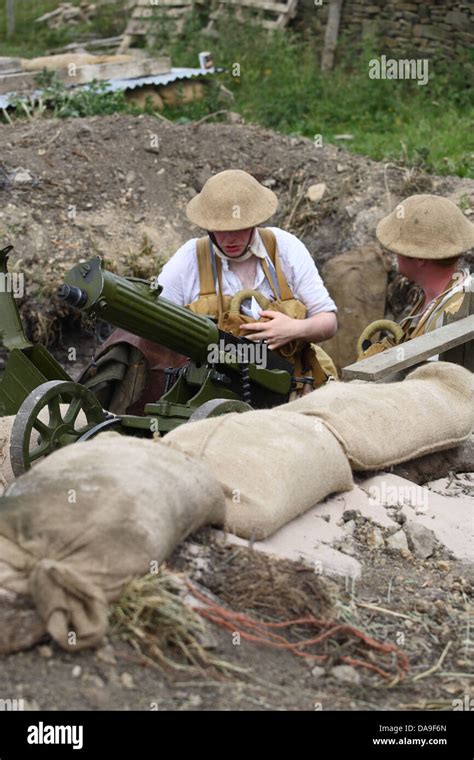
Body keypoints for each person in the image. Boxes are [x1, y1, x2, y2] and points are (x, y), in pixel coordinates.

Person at [157, 169, 338, 393]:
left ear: (255, 222)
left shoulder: (285, 248)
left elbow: (329, 323)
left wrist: (294, 328)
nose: (230, 239)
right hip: (211, 393)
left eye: (239, 229)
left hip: (290, 386)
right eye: (221, 230)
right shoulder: (190, 259)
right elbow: (157, 328)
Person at [359, 194, 474, 358]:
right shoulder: (439, 297)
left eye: (400, 250)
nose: (395, 256)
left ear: (420, 258)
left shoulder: (453, 313)